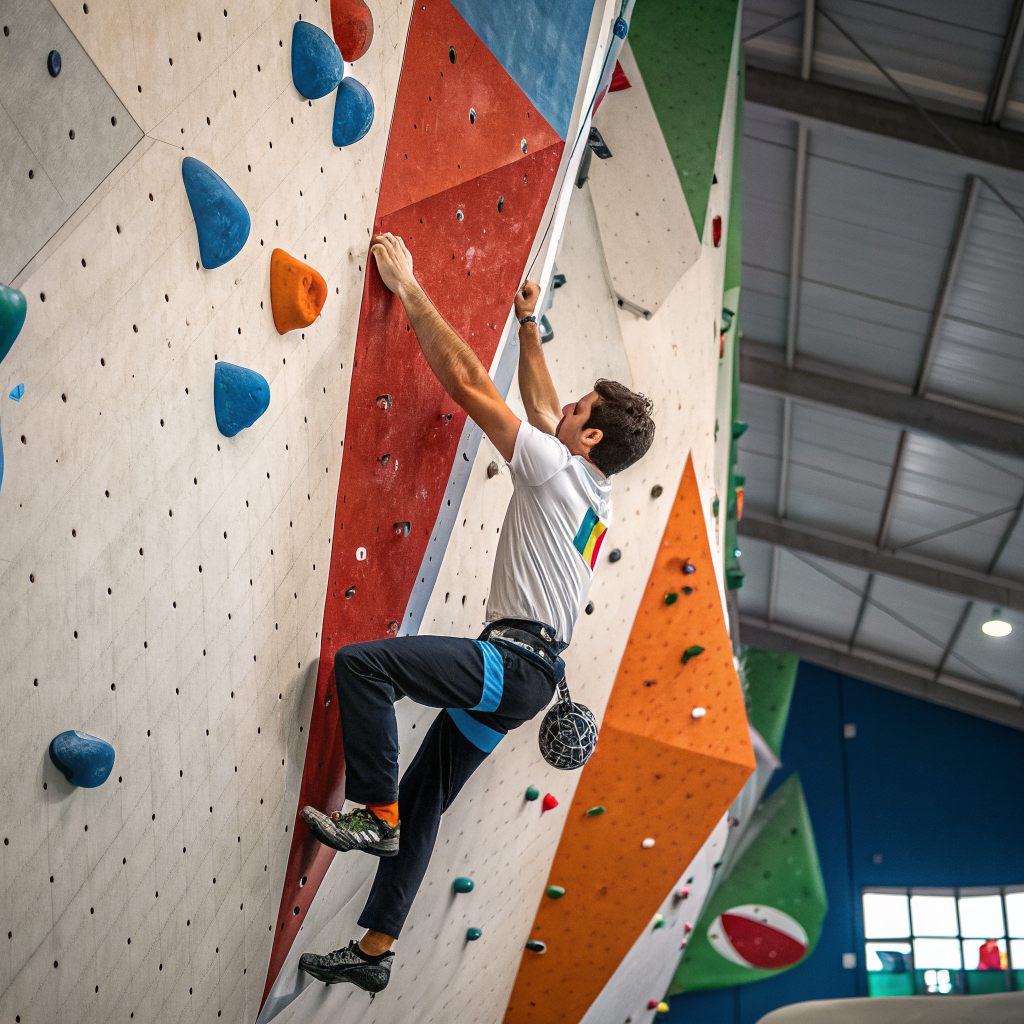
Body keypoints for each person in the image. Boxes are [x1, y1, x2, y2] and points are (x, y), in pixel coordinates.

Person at [297, 233, 655, 993]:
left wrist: (409, 286)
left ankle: (374, 815)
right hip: (529, 680)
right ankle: (375, 950)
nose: (564, 408)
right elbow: (545, 409)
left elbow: (468, 384)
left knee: (365, 668)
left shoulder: (557, 468)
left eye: (581, 410)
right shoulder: (596, 497)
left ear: (590, 437)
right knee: (426, 800)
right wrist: (528, 324)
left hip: (513, 666)